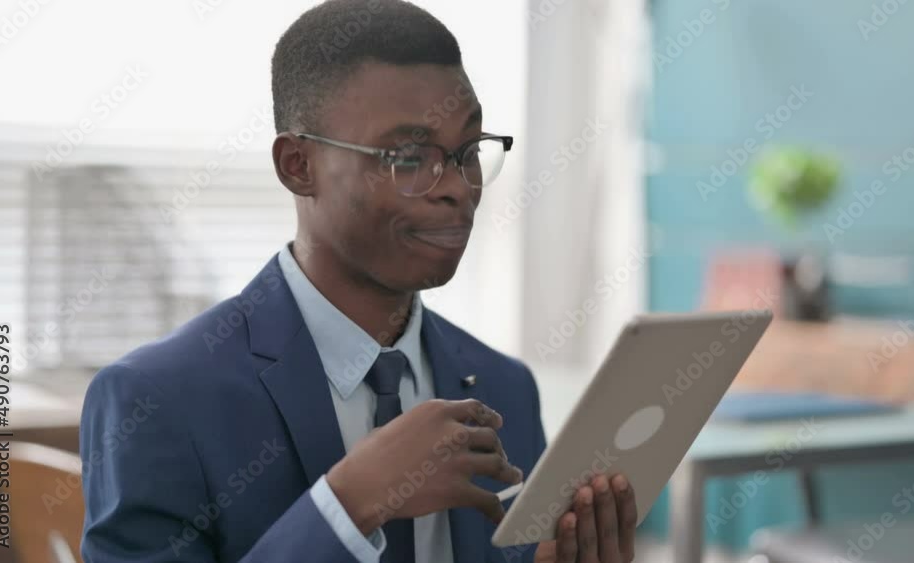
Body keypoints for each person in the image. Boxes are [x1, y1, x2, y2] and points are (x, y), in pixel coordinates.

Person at [79, 1, 638, 561]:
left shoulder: (504, 386)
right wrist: (350, 503)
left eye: (467, 151)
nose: (458, 188)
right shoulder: (156, 399)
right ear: (298, 165)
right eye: (409, 156)